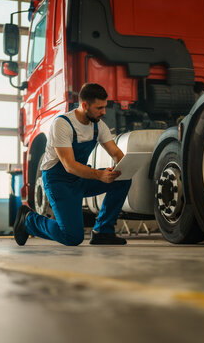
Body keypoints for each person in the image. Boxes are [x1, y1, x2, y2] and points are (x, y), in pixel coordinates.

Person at [13, 83, 131, 246]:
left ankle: (103, 231)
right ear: (84, 106)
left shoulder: (99, 126)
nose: (104, 112)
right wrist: (101, 175)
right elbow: (69, 165)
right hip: (58, 182)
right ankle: (28, 220)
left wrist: (126, 167)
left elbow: (116, 153)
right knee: (72, 237)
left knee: (122, 179)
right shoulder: (62, 124)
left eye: (105, 107)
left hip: (80, 178)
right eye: (99, 108)